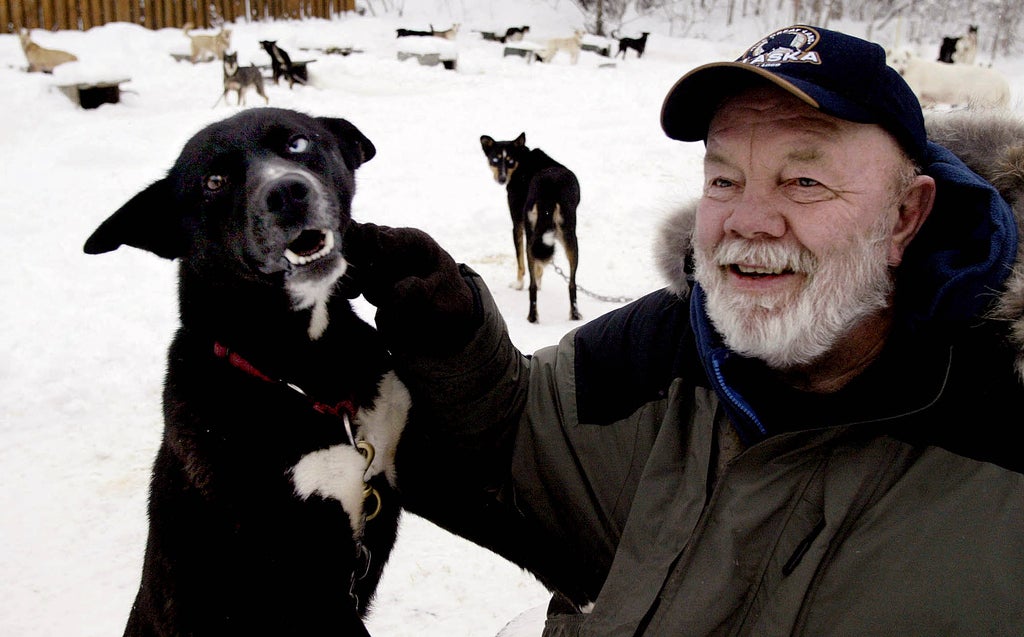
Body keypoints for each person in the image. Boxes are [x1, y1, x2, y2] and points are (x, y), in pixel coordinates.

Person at [345, 25, 1024, 635]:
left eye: (805, 180)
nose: (747, 220)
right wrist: (453, 336)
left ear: (907, 215)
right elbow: (516, 434)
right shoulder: (667, 346)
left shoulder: (997, 442)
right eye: (724, 179)